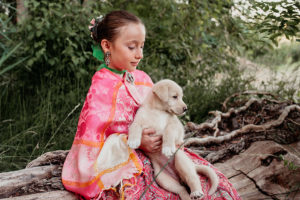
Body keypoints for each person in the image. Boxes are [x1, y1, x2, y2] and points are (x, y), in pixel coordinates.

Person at [61, 10, 241, 200]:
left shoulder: (142, 78)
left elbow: (165, 115)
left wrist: (171, 136)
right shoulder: (102, 86)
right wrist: (136, 142)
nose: (139, 55)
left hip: (165, 150)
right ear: (107, 46)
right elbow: (93, 137)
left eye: (142, 47)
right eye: (131, 47)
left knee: (220, 188)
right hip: (128, 158)